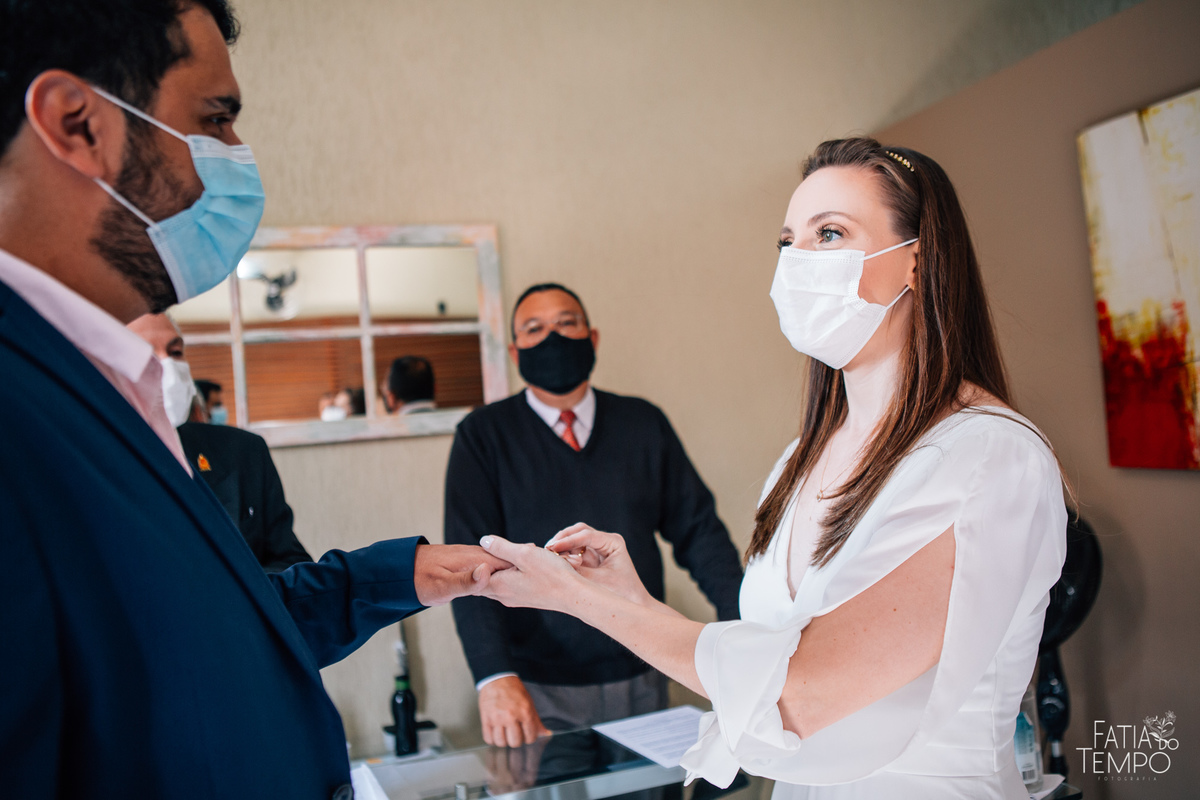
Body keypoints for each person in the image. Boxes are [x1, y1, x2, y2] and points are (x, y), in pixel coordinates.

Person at [0, 2, 507, 797]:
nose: (236, 156)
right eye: (216, 119)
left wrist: (405, 574)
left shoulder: (99, 380)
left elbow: (202, 631)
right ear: (78, 124)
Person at [478, 138, 1068, 799]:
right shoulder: (800, 459)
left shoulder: (988, 457)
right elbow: (763, 654)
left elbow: (802, 694)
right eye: (789, 241)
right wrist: (632, 599)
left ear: (915, 260)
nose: (796, 263)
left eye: (830, 233)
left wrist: (584, 603)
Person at [445, 282, 745, 748]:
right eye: (534, 329)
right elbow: (468, 566)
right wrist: (494, 675)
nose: (554, 338)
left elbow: (699, 532)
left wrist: (740, 623)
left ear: (593, 338)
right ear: (514, 350)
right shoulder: (482, 436)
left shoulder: (643, 423)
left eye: (567, 324)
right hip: (537, 681)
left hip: (644, 664)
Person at [129, 312, 314, 573]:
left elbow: (292, 562)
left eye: (176, 352)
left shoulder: (242, 451)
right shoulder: (88, 461)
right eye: (146, 353)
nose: (168, 366)